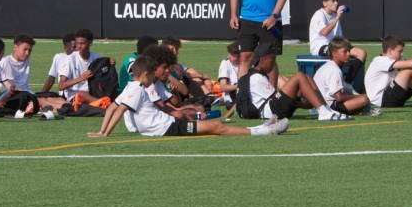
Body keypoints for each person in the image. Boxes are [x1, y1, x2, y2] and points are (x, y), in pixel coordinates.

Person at [88, 55, 289, 138]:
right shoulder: (138, 88)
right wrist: (104, 133)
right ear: (147, 75)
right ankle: (264, 131)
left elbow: (114, 107)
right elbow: (119, 109)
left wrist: (102, 131)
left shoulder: (132, 86)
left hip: (167, 124)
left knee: (214, 124)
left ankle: (263, 127)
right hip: (168, 127)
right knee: (217, 127)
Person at [248, 51, 350, 121]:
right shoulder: (256, 77)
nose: (273, 63)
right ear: (262, 60)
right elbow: (271, 98)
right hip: (270, 111)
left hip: (274, 109)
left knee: (307, 77)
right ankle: (323, 112)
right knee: (299, 76)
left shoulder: (259, 75)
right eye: (271, 60)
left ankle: (326, 109)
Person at [307, 0, 367, 93]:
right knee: (341, 54)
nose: (336, 3)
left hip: (335, 45)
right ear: (325, 3)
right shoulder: (319, 15)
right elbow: (324, 32)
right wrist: (338, 17)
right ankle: (340, 84)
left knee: (361, 53)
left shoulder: (335, 15)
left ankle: (347, 82)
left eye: (337, 0)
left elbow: (339, 38)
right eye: (333, 0)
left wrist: (348, 45)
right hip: (321, 47)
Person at [314, 38, 372, 115]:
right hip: (328, 106)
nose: (348, 54)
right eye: (345, 51)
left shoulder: (329, 66)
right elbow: (339, 97)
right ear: (334, 53)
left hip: (321, 104)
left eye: (348, 51)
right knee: (364, 99)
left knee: (360, 98)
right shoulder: (334, 70)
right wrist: (358, 97)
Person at [58, 29, 100, 104]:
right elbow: (61, 86)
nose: (79, 46)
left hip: (92, 94)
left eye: (82, 43)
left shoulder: (96, 57)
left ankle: (101, 103)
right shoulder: (70, 59)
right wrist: (81, 78)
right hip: (74, 96)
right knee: (82, 94)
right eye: (77, 43)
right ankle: (104, 104)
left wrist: (109, 61)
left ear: (90, 43)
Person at [217, 42, 240, 117]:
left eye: (232, 55)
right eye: (229, 54)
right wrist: (239, 86)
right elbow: (223, 87)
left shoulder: (246, 63)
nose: (229, 56)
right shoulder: (225, 64)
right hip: (231, 96)